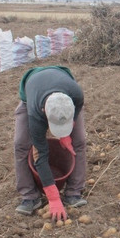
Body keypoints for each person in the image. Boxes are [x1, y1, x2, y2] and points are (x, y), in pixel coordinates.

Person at [13, 66, 87, 220]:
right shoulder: (35, 112)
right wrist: (53, 198)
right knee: (21, 144)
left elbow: (77, 109)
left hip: (62, 90)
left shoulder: (76, 95)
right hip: (31, 94)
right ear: (43, 111)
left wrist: (67, 134)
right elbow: (41, 154)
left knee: (79, 141)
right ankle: (30, 197)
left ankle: (73, 193)